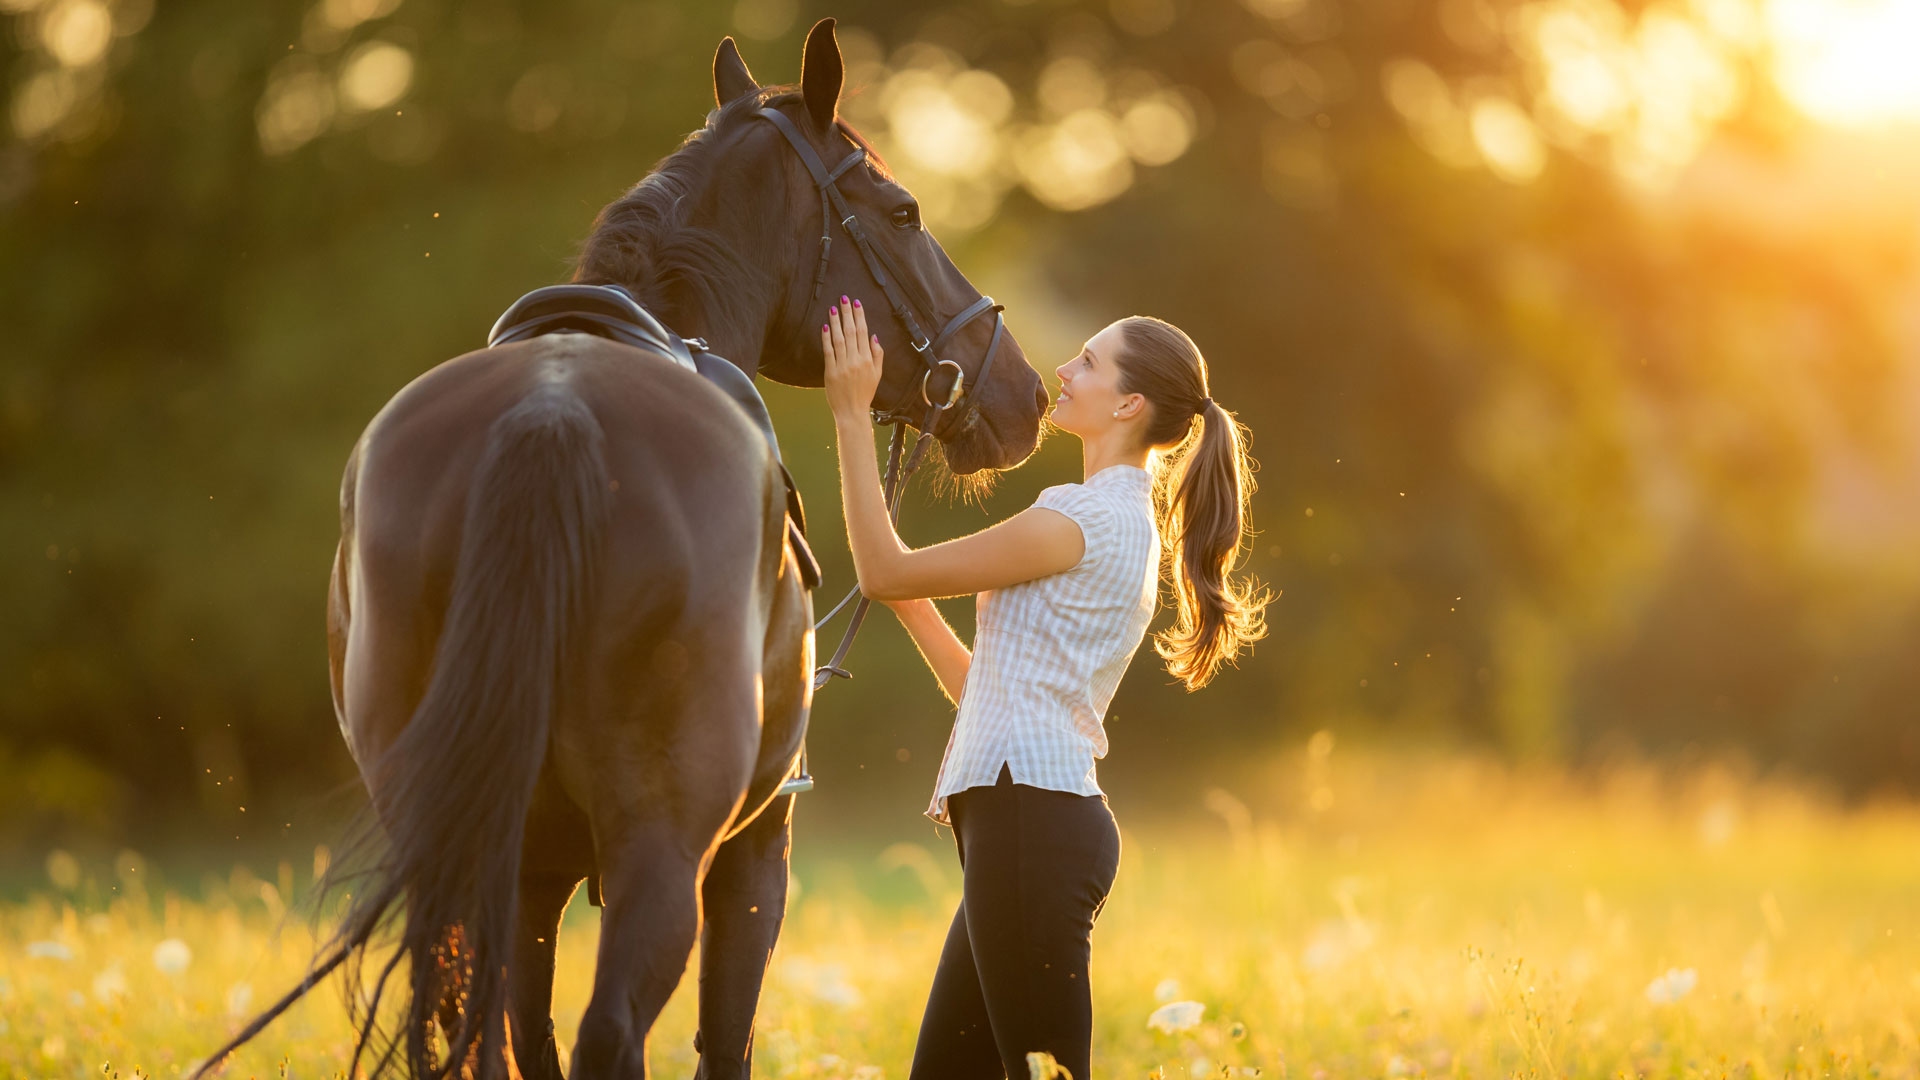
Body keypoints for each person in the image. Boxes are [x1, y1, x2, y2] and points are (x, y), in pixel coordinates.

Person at [819, 295, 1269, 1079]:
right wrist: (911, 601)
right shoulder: (1122, 525)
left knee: (1046, 1074)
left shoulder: (1077, 518)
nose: (1064, 369)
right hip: (1028, 820)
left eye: (1088, 362)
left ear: (1129, 404)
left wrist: (851, 413)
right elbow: (990, 689)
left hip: (1031, 824)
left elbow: (881, 568)